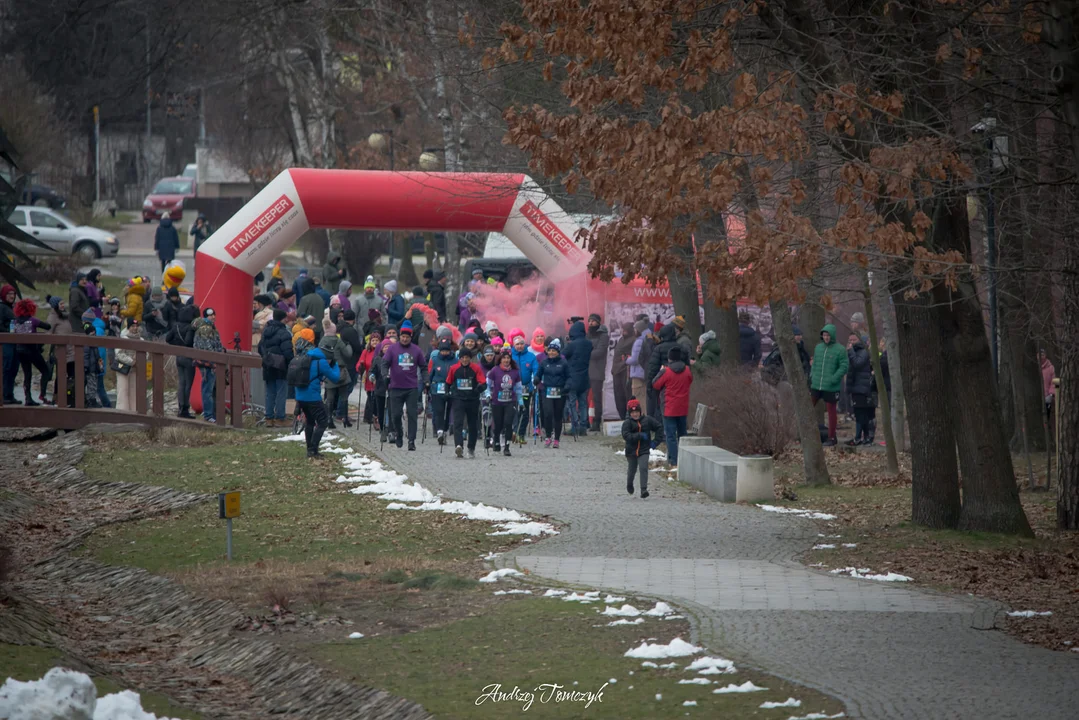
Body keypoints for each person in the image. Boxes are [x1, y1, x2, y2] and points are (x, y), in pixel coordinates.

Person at [380, 320, 429, 450]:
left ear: (410, 337)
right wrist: (385, 376)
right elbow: (384, 364)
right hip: (395, 387)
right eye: (402, 336)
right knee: (395, 415)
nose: (405, 339)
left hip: (411, 388)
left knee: (412, 415)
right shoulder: (392, 349)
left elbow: (423, 367)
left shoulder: (416, 350)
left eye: (407, 337)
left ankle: (411, 440)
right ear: (399, 336)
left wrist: (426, 380)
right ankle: (399, 433)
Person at [292, 331, 341, 458]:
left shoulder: (305, 357)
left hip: (300, 396)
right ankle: (313, 449)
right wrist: (335, 365)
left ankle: (310, 450)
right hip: (312, 397)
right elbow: (335, 378)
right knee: (323, 422)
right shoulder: (322, 362)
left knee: (310, 421)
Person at [652, 346, 693, 469]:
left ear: (669, 358)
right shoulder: (687, 370)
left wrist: (661, 371)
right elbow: (690, 380)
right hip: (683, 407)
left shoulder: (667, 371)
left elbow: (655, 384)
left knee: (670, 436)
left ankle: (674, 461)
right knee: (682, 435)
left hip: (669, 408)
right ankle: (684, 460)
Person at [810, 323, 849, 447]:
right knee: (808, 408)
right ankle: (807, 434)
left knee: (831, 411)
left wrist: (834, 378)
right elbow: (815, 363)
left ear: (832, 335)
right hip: (816, 384)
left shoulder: (840, 349)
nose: (826, 337)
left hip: (831, 386)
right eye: (824, 335)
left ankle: (832, 437)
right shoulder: (818, 348)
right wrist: (812, 375)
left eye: (828, 335)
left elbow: (844, 366)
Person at [447, 347, 487, 458]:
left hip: (472, 400)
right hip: (458, 399)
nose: (465, 360)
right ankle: (459, 445)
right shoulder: (454, 368)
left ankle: (471, 448)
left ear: (470, 358)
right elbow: (448, 382)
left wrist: (478, 389)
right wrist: (447, 393)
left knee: (472, 425)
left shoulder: (476, 368)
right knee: (458, 423)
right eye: (462, 358)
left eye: (467, 358)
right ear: (459, 358)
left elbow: (483, 383)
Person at [257, 309, 294, 427]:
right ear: (284, 319)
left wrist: (266, 358)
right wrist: (290, 363)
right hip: (281, 366)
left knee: (270, 392)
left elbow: (260, 348)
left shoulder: (266, 331)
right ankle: (280, 418)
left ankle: (269, 418)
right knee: (281, 392)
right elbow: (288, 352)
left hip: (268, 365)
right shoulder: (284, 333)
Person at [12, 299, 51, 405]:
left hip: (20, 351)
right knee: (45, 371)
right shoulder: (32, 320)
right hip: (32, 350)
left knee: (27, 374)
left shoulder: (15, 321)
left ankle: (28, 398)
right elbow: (47, 326)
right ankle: (42, 394)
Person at [622, 398, 662, 498]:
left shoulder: (647, 420)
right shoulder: (627, 423)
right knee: (632, 470)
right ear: (630, 413)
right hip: (631, 451)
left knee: (643, 468)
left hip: (644, 450)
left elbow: (659, 427)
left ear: (640, 411)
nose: (635, 414)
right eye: (633, 412)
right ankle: (629, 484)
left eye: (637, 412)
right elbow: (626, 436)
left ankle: (643, 489)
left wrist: (655, 442)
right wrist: (639, 435)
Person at [534, 338, 570, 448]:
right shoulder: (544, 363)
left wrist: (567, 386)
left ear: (558, 352)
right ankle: (548, 436)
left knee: (558, 415)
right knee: (548, 414)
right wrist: (536, 379)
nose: (551, 353)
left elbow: (569, 377)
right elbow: (538, 374)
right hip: (547, 391)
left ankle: (557, 439)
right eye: (549, 350)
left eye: (554, 351)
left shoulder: (563, 363)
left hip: (560, 392)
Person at [192, 308, 225, 423]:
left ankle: (211, 414)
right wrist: (214, 361)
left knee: (210, 389)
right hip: (208, 363)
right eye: (210, 315)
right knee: (208, 389)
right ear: (205, 316)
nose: (213, 317)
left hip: (211, 363)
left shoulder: (211, 328)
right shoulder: (205, 329)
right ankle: (208, 415)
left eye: (214, 315)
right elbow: (206, 347)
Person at [487, 347, 522, 455]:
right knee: (498, 424)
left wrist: (520, 401)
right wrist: (488, 395)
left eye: (508, 358)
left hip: (510, 401)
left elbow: (518, 388)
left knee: (508, 423)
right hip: (497, 402)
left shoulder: (515, 372)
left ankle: (507, 446)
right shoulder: (494, 370)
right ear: (500, 359)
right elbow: (487, 385)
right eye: (504, 358)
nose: (506, 360)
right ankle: (496, 440)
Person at [318, 325, 353, 430]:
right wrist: (348, 345)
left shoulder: (322, 341)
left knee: (330, 396)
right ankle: (345, 418)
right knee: (344, 395)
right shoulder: (338, 341)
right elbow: (348, 354)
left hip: (328, 369)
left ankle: (329, 419)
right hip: (340, 369)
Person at [167, 304, 198, 418]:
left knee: (181, 383)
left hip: (178, 357)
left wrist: (176, 345)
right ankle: (185, 409)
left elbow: (167, 339)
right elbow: (188, 341)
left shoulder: (176, 326)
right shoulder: (190, 327)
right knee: (188, 384)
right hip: (188, 358)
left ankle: (180, 408)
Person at [563, 319, 594, 435]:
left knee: (571, 403)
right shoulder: (589, 344)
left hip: (572, 378)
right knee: (583, 403)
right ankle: (583, 427)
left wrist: (567, 343)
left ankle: (574, 426)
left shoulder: (572, 345)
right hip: (585, 378)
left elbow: (562, 355)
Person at [335, 309, 363, 425]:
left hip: (338, 362)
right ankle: (341, 413)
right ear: (353, 320)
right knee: (347, 389)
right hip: (350, 363)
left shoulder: (337, 328)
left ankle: (336, 410)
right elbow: (357, 347)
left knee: (338, 388)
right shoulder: (350, 331)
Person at [846, 334, 875, 445]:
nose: (852, 342)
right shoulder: (855, 351)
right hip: (855, 386)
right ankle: (861, 437)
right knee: (859, 413)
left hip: (861, 387)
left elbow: (857, 363)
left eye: (854, 340)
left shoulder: (863, 351)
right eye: (850, 340)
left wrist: (851, 351)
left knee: (861, 414)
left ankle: (862, 437)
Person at [646, 323, 679, 420]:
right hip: (678, 382)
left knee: (661, 406)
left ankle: (661, 431)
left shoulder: (658, 349)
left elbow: (653, 368)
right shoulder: (680, 347)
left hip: (663, 382)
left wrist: (649, 385)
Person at [510, 332, 538, 439]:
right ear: (514, 345)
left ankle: (521, 432)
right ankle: (513, 430)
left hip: (526, 388)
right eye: (517, 344)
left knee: (524, 410)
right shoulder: (510, 356)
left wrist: (535, 378)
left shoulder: (530, 356)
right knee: (513, 410)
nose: (520, 346)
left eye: (521, 344)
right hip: (512, 389)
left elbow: (535, 369)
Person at [45, 296, 73, 406]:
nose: (63, 306)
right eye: (61, 304)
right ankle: (57, 398)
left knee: (71, 375)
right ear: (55, 305)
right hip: (60, 351)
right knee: (61, 375)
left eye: (63, 303)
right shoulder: (53, 317)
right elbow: (48, 333)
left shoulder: (64, 316)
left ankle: (70, 397)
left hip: (71, 350)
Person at [586, 313, 610, 431]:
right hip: (586, 369)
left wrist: (585, 354)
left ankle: (596, 421)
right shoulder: (588, 334)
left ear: (598, 322)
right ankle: (585, 420)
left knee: (596, 397)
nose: (590, 323)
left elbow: (600, 351)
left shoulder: (603, 335)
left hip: (597, 370)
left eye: (593, 321)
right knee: (584, 396)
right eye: (589, 321)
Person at [611, 322, 636, 421]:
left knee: (627, 394)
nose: (623, 331)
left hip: (626, 369)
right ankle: (622, 417)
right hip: (616, 370)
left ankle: (629, 416)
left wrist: (625, 361)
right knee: (618, 395)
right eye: (623, 329)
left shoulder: (634, 340)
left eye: (625, 329)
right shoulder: (621, 340)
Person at [114, 319, 141, 412]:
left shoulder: (141, 340)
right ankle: (121, 412)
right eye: (133, 326)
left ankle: (134, 411)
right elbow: (119, 353)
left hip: (135, 369)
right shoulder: (123, 338)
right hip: (123, 368)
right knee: (123, 390)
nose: (135, 328)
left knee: (134, 391)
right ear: (128, 327)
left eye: (136, 326)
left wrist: (139, 360)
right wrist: (131, 361)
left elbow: (146, 354)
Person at [626, 318, 650, 410]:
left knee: (638, 399)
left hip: (638, 374)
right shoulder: (647, 339)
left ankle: (640, 421)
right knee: (643, 399)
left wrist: (627, 360)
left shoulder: (639, 342)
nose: (634, 331)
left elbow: (635, 360)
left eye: (635, 329)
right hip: (643, 374)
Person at [1, 284, 18, 404]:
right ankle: (3, 395)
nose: (11, 296)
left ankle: (9, 394)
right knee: (6, 368)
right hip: (6, 342)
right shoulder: (2, 308)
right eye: (9, 294)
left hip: (14, 342)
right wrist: (8, 332)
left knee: (13, 368)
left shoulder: (12, 307)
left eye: (13, 294)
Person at [1040, 349, 1055, 413]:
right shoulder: (1034, 368)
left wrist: (1051, 395)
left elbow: (1053, 382)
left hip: (1047, 397)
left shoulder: (1051, 368)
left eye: (1043, 355)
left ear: (1045, 355)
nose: (1041, 357)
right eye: (1039, 355)